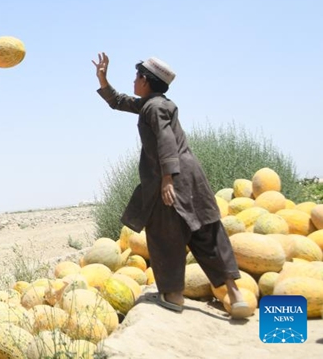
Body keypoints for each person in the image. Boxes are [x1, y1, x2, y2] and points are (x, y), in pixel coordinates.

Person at [92, 52, 249, 319]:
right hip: (191, 178)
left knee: (166, 235)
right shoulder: (154, 103)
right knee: (207, 232)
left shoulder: (153, 108)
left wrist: (167, 179)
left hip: (172, 178)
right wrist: (103, 80)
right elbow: (118, 101)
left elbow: (165, 140)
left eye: (136, 77)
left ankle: (173, 294)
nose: (133, 81)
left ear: (145, 80)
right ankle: (235, 295)